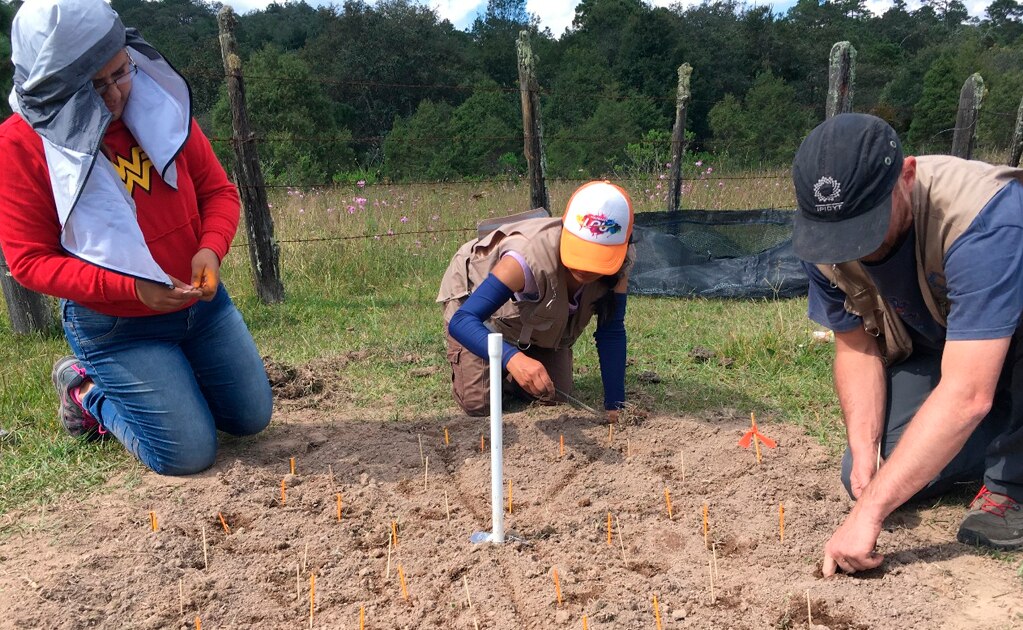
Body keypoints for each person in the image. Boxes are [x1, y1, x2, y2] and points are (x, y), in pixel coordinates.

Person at [0, 0, 272, 475]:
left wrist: (210, 248)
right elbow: (29, 260)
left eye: (120, 73)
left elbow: (219, 192)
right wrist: (132, 289)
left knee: (251, 419)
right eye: (92, 86)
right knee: (188, 454)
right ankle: (85, 391)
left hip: (202, 308)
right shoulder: (19, 144)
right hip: (116, 327)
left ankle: (175, 383)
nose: (114, 95)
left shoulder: (158, 104)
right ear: (55, 89)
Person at [791, 113, 1023, 576]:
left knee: (964, 408)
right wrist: (864, 448)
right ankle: (1000, 422)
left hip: (1004, 345)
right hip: (958, 354)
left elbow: (967, 394)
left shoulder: (985, 218)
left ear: (907, 176)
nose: (854, 248)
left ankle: (1010, 484)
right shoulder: (825, 240)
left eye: (866, 226)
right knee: (872, 470)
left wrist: (869, 514)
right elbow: (856, 347)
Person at [437, 181, 635, 421]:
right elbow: (463, 320)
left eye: (598, 258)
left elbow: (611, 331)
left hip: (537, 320)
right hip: (482, 309)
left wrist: (615, 403)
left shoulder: (620, 264)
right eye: (581, 252)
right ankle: (496, 361)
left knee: (552, 393)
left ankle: (506, 366)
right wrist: (513, 359)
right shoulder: (526, 257)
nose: (586, 269)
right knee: (479, 403)